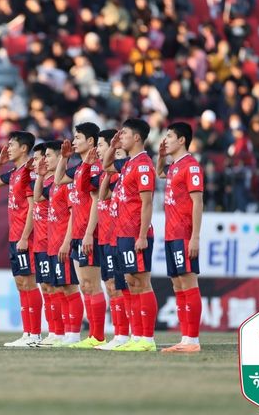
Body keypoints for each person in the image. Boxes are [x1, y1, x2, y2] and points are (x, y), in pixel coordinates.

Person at [102, 119, 158, 352]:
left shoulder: (143, 165)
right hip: (121, 233)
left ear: (137, 137)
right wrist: (114, 146)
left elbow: (147, 203)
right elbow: (106, 167)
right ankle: (136, 336)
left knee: (141, 283)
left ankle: (147, 338)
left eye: (123, 133)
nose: (120, 136)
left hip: (136, 233)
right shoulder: (127, 164)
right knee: (130, 284)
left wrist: (142, 235)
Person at [0, 131, 42, 347]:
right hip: (14, 235)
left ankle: (34, 334)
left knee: (28, 282)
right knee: (21, 283)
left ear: (24, 149)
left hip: (23, 237)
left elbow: (32, 206)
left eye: (11, 145)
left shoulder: (29, 172)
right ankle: (27, 333)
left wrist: (25, 236)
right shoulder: (14, 172)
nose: (7, 148)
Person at [54, 122, 105, 349]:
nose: (73, 142)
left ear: (90, 141)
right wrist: (64, 158)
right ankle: (92, 336)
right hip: (77, 233)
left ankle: (97, 336)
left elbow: (96, 201)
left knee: (92, 284)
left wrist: (87, 234)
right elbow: (58, 180)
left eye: (78, 138)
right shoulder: (80, 167)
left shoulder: (96, 168)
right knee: (84, 285)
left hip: (88, 234)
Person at [80, 130, 132, 351]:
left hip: (117, 234)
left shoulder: (122, 174)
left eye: (103, 146)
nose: (100, 150)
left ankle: (124, 334)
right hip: (105, 237)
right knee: (110, 286)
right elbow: (92, 192)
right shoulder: (105, 175)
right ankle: (118, 334)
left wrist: (108, 170)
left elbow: (103, 196)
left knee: (118, 286)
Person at [156, 122, 204, 353]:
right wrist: (160, 156)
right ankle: (185, 339)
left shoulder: (191, 166)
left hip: (184, 234)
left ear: (182, 140)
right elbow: (159, 173)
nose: (165, 140)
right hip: (171, 234)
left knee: (188, 281)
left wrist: (195, 237)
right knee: (177, 284)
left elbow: (198, 202)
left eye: (169, 136)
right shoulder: (174, 166)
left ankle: (192, 340)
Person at [39, 140, 83, 346]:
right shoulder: (54, 184)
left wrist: (67, 243)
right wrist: (40, 176)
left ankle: (72, 334)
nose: (45, 159)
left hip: (62, 243)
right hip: (52, 242)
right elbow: (39, 196)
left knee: (69, 288)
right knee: (57, 289)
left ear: (59, 157)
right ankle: (58, 333)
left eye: (48, 155)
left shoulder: (67, 185)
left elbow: (74, 214)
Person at [30, 143, 63, 347]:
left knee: (55, 287)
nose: (38, 162)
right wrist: (41, 176)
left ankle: (60, 332)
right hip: (43, 243)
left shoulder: (60, 182)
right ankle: (53, 332)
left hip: (53, 240)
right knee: (46, 287)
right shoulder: (46, 181)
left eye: (43, 157)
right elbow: (36, 199)